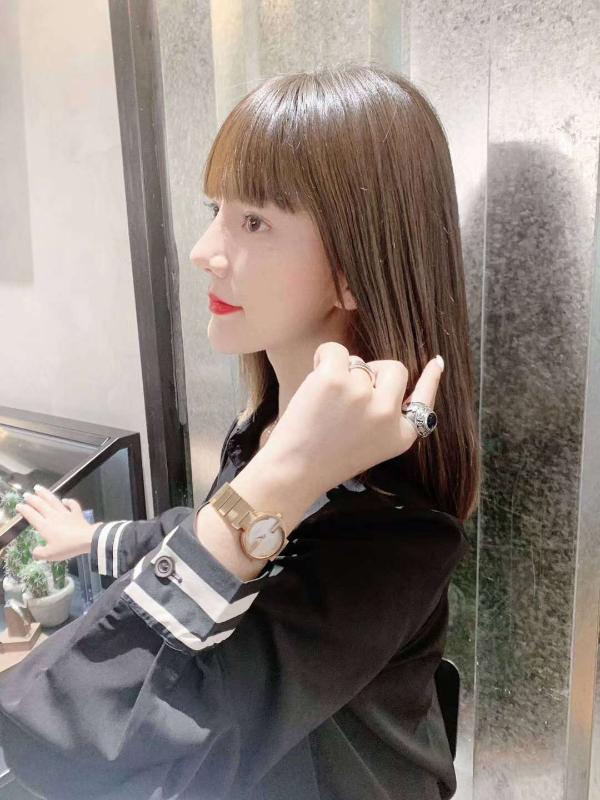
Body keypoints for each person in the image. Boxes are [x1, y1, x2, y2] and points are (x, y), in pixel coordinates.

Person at [0, 61, 480, 799]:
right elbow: (209, 530)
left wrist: (280, 480)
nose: (204, 250)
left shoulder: (385, 530)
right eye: (216, 209)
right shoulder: (268, 429)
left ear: (356, 267)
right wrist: (94, 540)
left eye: (253, 221)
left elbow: (71, 734)